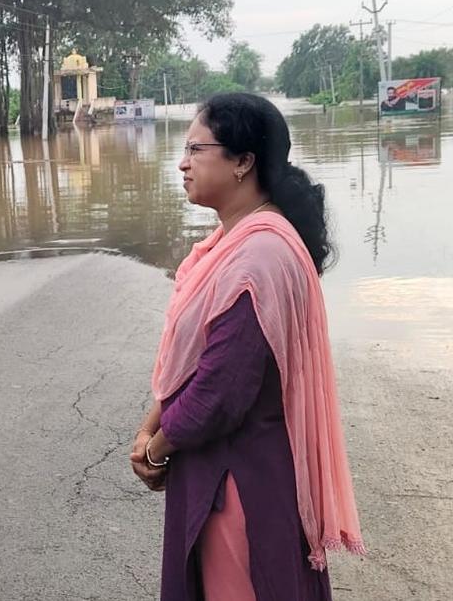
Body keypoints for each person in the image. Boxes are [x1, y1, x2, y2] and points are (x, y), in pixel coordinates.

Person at [130, 93, 364, 600]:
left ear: (243, 162)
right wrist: (151, 426)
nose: (183, 163)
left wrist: (155, 447)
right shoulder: (230, 244)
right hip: (225, 469)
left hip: (239, 484)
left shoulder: (259, 255)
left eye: (196, 149)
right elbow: (189, 365)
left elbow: (219, 393)